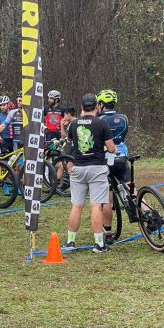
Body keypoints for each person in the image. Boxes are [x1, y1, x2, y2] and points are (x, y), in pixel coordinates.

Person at [63, 93, 116, 253]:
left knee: (77, 206)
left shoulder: (74, 124)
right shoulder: (102, 123)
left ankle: (70, 242)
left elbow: (72, 141)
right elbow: (111, 147)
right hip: (97, 168)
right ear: (97, 106)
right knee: (96, 206)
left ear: (81, 107)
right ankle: (99, 244)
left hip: (78, 168)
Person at [97, 89, 129, 244]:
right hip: (122, 158)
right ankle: (149, 216)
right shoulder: (124, 118)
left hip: (106, 161)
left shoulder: (99, 120)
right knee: (133, 190)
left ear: (101, 104)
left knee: (107, 199)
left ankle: (108, 233)